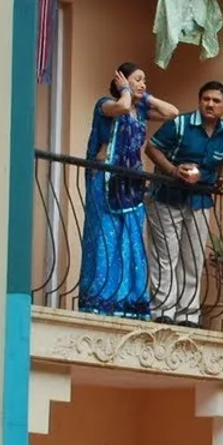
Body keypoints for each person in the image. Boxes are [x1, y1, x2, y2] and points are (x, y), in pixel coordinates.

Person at [79, 62, 179, 318]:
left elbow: (172, 112)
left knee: (131, 240)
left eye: (144, 80)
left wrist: (145, 96)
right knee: (106, 237)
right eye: (137, 79)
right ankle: (101, 301)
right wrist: (125, 90)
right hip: (106, 180)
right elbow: (122, 107)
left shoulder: (142, 111)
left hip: (132, 185)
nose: (142, 84)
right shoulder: (105, 105)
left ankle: (130, 303)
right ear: (121, 80)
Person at [144, 80, 223, 327]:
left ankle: (188, 314)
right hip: (166, 196)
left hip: (200, 201)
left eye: (216, 101)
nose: (209, 104)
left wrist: (222, 179)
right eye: (205, 99)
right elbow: (152, 148)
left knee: (193, 257)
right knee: (165, 256)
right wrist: (172, 170)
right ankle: (163, 311)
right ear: (199, 101)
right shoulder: (180, 124)